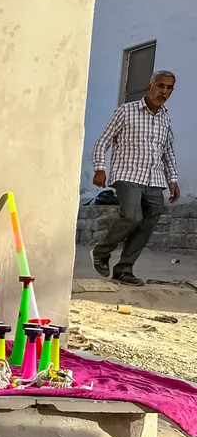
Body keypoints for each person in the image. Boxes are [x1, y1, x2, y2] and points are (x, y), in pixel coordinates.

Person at [90, 70, 181, 285]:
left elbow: (168, 151)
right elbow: (103, 140)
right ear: (150, 86)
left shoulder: (166, 119)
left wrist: (173, 179)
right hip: (127, 174)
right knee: (132, 216)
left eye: (169, 88)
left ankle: (124, 269)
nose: (164, 91)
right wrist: (99, 168)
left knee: (149, 221)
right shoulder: (126, 111)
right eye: (160, 86)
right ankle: (101, 251)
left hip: (154, 179)